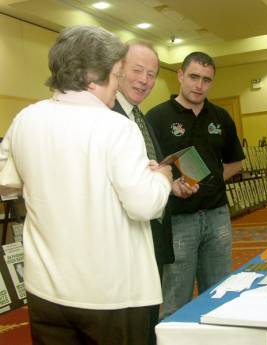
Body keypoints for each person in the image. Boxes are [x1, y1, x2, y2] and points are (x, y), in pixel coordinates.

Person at [0, 26, 173, 345]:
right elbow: (144, 205)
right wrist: (161, 177)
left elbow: (7, 185)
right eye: (118, 73)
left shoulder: (27, 118)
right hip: (112, 296)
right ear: (94, 77)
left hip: (46, 291)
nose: (118, 84)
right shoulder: (116, 127)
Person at [145, 52, 245, 317]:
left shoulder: (221, 117)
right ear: (180, 75)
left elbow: (236, 162)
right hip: (178, 220)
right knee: (175, 300)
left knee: (219, 294)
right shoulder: (156, 117)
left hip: (218, 216)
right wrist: (173, 184)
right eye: (193, 77)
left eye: (206, 79)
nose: (199, 85)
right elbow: (148, 167)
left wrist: (209, 182)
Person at [112, 40, 198, 344]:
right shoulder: (109, 119)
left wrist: (170, 186)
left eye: (151, 74)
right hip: (128, 243)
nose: (144, 80)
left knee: (148, 321)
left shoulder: (138, 116)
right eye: (137, 70)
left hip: (154, 237)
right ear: (117, 70)